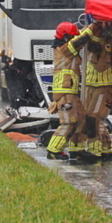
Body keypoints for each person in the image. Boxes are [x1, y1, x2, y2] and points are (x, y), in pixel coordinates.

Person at [79, 20, 112, 162]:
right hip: (90, 82)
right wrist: (93, 27)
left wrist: (109, 27)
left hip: (105, 84)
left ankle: (94, 151)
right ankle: (106, 147)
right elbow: (81, 41)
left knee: (93, 118)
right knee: (91, 117)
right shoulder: (91, 32)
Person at [45, 21, 90, 161]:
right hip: (64, 91)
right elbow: (81, 40)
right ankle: (53, 150)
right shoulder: (65, 49)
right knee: (68, 122)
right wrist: (93, 26)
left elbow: (80, 37)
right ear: (66, 37)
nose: (73, 38)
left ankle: (77, 149)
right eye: (72, 36)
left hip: (71, 90)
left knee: (81, 119)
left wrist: (88, 25)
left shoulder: (67, 46)